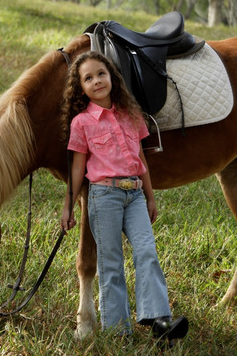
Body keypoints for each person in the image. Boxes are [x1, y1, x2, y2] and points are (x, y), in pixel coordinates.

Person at [60, 51, 188, 342]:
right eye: (88, 78)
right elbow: (78, 168)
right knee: (111, 262)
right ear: (81, 87)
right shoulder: (82, 123)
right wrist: (68, 205)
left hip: (135, 195)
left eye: (101, 74)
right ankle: (118, 331)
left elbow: (140, 157)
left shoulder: (130, 114)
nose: (96, 81)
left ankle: (159, 320)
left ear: (112, 77)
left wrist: (151, 196)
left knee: (147, 252)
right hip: (104, 196)